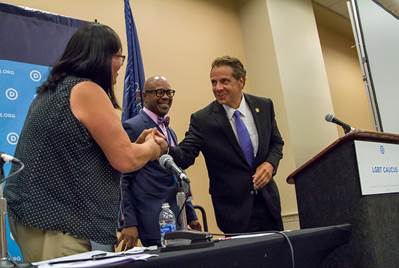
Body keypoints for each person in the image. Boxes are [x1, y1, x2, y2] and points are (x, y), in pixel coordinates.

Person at [3, 23, 166, 262]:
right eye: (119, 56)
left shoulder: (52, 91)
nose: (121, 64)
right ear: (102, 56)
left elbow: (86, 152)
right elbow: (126, 159)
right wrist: (152, 148)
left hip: (35, 220)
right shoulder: (86, 90)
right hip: (60, 225)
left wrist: (135, 145)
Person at [169, 56, 284, 234]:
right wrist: (164, 148)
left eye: (224, 81)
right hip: (234, 212)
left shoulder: (264, 106)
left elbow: (276, 143)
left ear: (241, 81)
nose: (217, 88)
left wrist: (270, 164)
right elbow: (185, 156)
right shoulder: (203, 119)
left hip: (268, 205)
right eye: (213, 82)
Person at [118, 75, 201, 249]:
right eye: (159, 92)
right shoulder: (133, 127)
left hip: (178, 217)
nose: (165, 96)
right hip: (152, 218)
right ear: (144, 96)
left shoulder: (169, 130)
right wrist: (129, 222)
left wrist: (191, 214)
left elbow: (178, 174)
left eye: (169, 92)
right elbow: (123, 178)